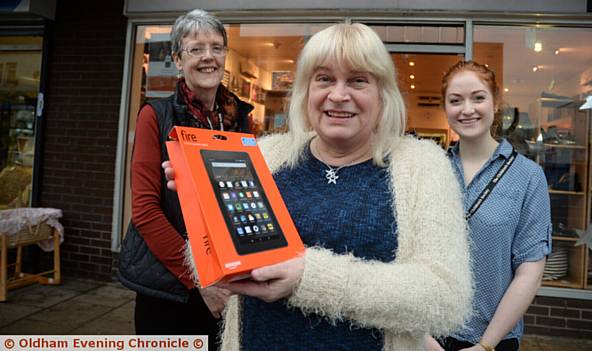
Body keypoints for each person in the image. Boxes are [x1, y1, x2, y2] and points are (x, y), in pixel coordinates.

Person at [164, 23, 473, 351]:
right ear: (306, 90)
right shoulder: (266, 155)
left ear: (382, 94)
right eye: (324, 78)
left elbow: (445, 297)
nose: (338, 95)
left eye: (357, 80)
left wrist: (307, 278)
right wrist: (204, 211)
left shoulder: (423, 166)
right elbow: (209, 266)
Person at [117, 9, 253, 349]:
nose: (209, 57)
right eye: (196, 49)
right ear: (178, 59)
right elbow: (146, 212)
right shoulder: (156, 116)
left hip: (227, 284)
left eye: (217, 47)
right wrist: (199, 277)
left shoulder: (239, 120)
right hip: (172, 288)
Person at [427, 61, 552, 351]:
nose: (466, 109)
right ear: (445, 108)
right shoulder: (430, 168)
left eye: (478, 97)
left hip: (493, 338)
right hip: (426, 335)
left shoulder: (527, 177)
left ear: (496, 104)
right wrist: (421, 336)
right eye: (455, 100)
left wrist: (485, 345)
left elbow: (530, 271)